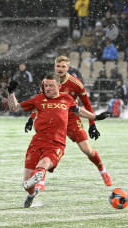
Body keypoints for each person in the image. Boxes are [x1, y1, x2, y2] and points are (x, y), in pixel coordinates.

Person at [7, 73, 109, 208]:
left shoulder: (66, 99)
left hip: (56, 143)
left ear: (59, 86)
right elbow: (14, 108)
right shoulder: (39, 99)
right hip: (37, 141)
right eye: (45, 85)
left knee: (43, 165)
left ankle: (39, 176)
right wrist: (11, 92)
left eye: (51, 85)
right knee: (26, 183)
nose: (47, 88)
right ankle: (32, 193)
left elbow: (78, 111)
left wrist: (95, 117)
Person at [25, 56, 113, 191]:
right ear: (54, 66)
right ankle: (41, 181)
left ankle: (103, 171)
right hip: (51, 119)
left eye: (63, 66)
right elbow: (40, 101)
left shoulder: (76, 84)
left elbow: (86, 103)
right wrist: (32, 118)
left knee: (87, 150)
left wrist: (92, 124)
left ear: (68, 68)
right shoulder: (48, 82)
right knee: (43, 145)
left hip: (71, 118)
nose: (60, 69)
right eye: (58, 66)